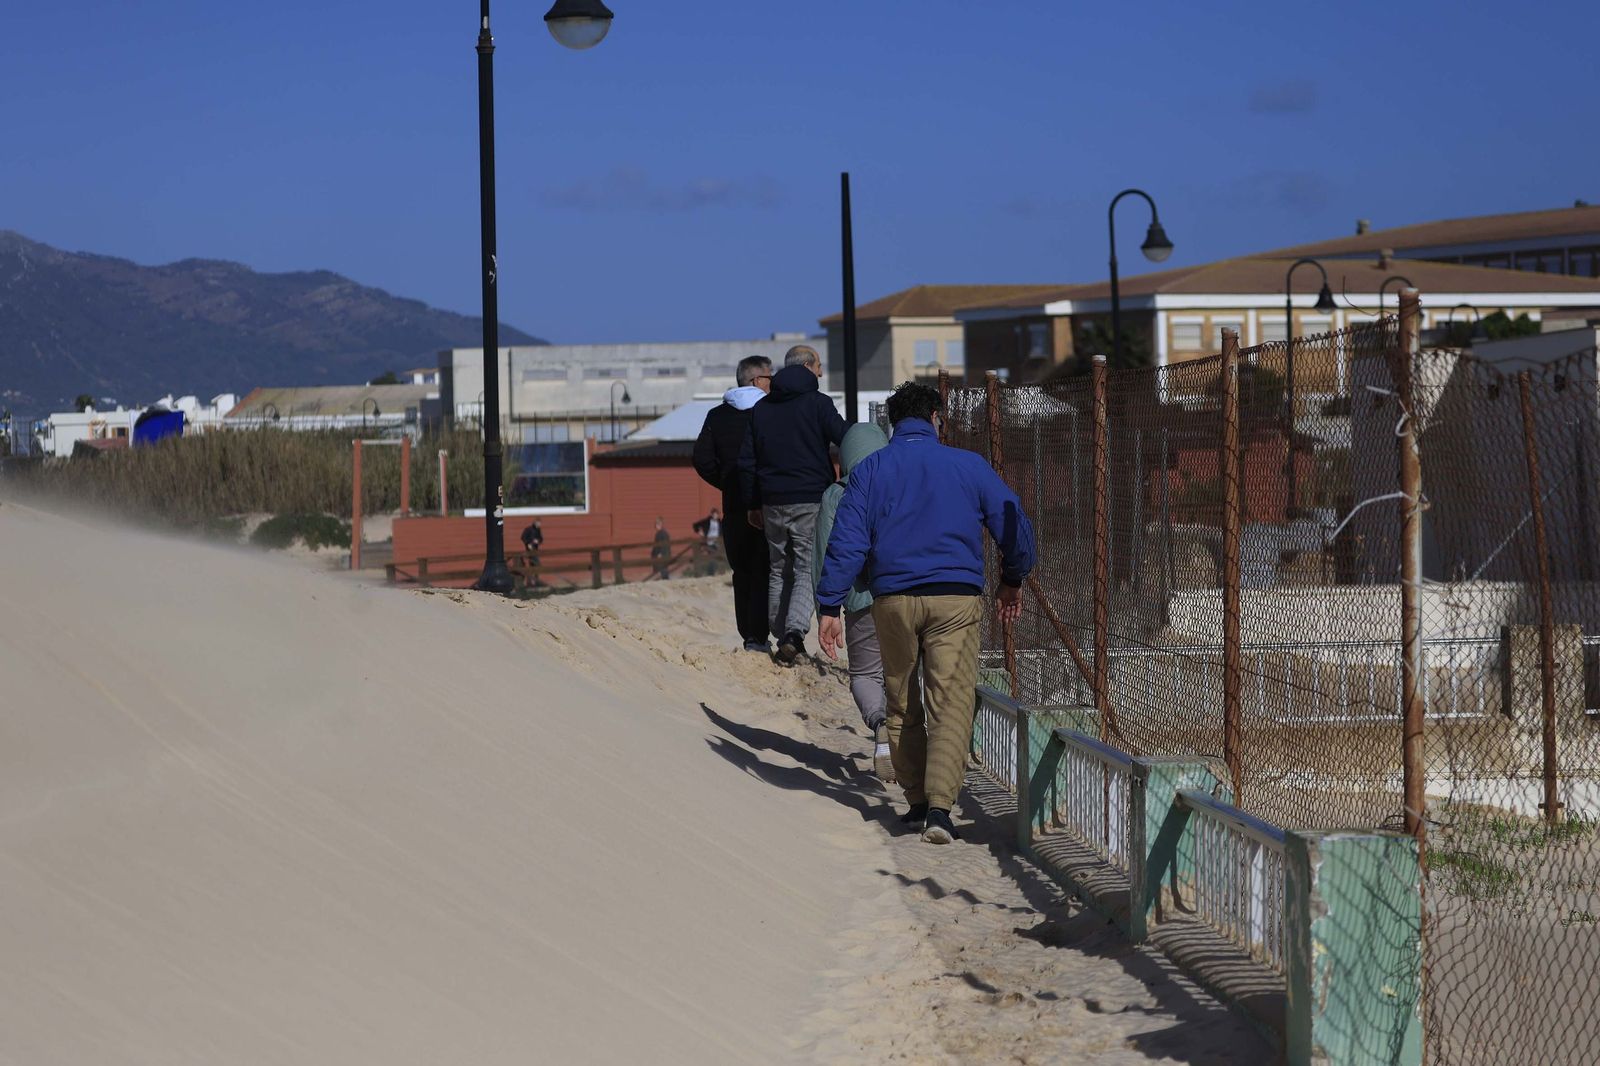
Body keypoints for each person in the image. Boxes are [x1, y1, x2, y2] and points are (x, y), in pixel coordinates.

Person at [815, 381, 1036, 845]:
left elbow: (847, 539)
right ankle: (940, 810)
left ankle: (914, 800)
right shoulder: (968, 465)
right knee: (950, 702)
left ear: (892, 423)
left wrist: (830, 603)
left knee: (901, 699)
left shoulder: (870, 469)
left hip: (892, 599)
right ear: (937, 418)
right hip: (955, 597)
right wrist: (1012, 577)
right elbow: (1011, 517)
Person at [737, 344, 847, 665]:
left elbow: (747, 461)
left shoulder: (762, 408)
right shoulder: (818, 403)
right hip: (810, 498)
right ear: (809, 367)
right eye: (819, 366)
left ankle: (779, 632)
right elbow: (844, 436)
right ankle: (794, 633)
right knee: (805, 567)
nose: (822, 373)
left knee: (777, 569)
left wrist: (752, 504)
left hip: (771, 500)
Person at [812, 422, 902, 783]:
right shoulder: (900, 483)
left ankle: (879, 725)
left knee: (865, 674)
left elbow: (823, 553)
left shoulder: (835, 495)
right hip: (904, 593)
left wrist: (826, 610)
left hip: (860, 600)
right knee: (907, 671)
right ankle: (910, 741)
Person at [693, 356, 774, 652]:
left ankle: (750, 636)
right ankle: (768, 634)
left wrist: (727, 482)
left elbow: (701, 459)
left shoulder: (717, 416)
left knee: (742, 572)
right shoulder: (770, 412)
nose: (773, 383)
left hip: (734, 505)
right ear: (756, 380)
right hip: (767, 504)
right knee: (767, 570)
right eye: (770, 377)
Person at [520, 518, 544, 586]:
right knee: (536, 564)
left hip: (535, 549)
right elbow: (523, 537)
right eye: (538, 523)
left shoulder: (538, 530)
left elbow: (541, 539)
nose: (539, 525)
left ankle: (534, 581)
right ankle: (533, 581)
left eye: (540, 524)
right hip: (529, 550)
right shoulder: (528, 529)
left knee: (534, 565)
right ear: (535, 523)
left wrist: (538, 541)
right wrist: (528, 543)